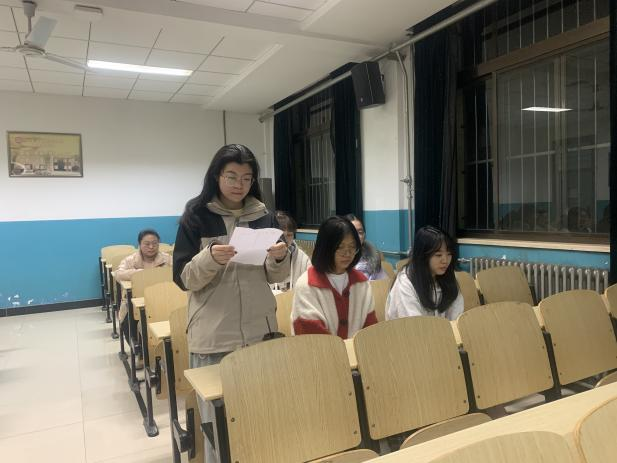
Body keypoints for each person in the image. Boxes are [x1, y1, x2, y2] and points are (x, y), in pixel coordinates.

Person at [173, 144, 289, 463]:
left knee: (261, 419)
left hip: (260, 333)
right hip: (215, 336)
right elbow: (184, 279)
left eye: (247, 178)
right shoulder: (196, 216)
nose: (240, 184)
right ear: (217, 176)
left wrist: (280, 258)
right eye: (232, 176)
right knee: (218, 427)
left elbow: (274, 276)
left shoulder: (264, 216)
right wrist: (210, 258)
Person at [292, 216, 377, 339]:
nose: (348, 253)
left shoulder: (361, 282)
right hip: (320, 350)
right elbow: (311, 336)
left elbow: (370, 330)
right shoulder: (307, 284)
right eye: (340, 247)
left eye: (352, 247)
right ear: (325, 248)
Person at [386, 225, 463, 321]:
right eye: (438, 255)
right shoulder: (405, 283)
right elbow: (415, 324)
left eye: (449, 254)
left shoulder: (447, 277)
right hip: (413, 330)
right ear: (423, 256)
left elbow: (456, 317)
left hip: (441, 330)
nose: (445, 260)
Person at [115, 229, 171, 340]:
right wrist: (140, 274)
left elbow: (178, 272)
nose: (151, 247)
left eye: (155, 243)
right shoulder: (130, 260)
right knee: (129, 325)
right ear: (139, 244)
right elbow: (118, 274)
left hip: (163, 299)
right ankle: (138, 347)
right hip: (136, 302)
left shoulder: (167, 259)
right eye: (147, 244)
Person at [274, 211, 311, 290]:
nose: (285, 240)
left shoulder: (303, 260)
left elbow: (310, 287)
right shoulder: (262, 258)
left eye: (289, 235)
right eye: (281, 235)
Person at [345, 214, 388, 281]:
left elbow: (384, 282)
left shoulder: (372, 257)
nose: (357, 236)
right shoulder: (339, 260)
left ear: (364, 235)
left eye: (360, 232)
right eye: (352, 232)